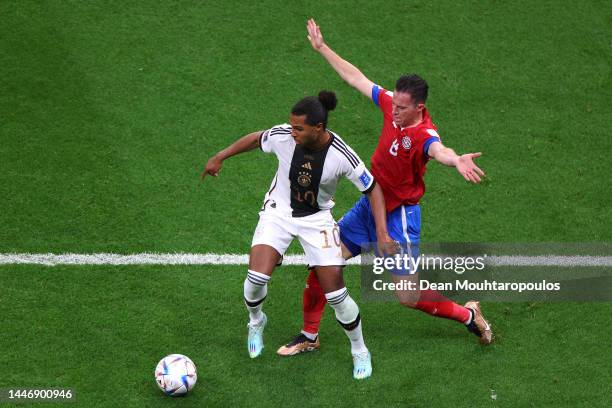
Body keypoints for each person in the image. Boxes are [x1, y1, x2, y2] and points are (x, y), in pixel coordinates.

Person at [276, 19, 493, 357]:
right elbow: (355, 78)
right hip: (368, 206)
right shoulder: (393, 105)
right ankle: (309, 334)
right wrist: (322, 49)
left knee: (407, 297)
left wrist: (456, 160)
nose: (394, 109)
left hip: (399, 218)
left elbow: (440, 151)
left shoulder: (424, 135)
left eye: (402, 107)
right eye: (394, 102)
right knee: (323, 263)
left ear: (418, 108)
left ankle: (468, 314)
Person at [202, 91, 398, 380]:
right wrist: (220, 156)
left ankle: (359, 349)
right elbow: (257, 138)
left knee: (336, 293)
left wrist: (382, 232)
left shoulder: (342, 155)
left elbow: (373, 189)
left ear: (317, 128)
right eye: (291, 126)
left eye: (298, 128)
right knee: (256, 279)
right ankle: (256, 321)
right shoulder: (283, 136)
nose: (291, 131)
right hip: (278, 213)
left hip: (316, 221)